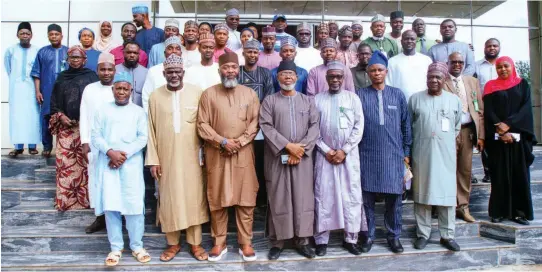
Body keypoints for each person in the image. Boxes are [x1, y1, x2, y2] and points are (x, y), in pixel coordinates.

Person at [145, 55, 210, 262]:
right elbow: (151, 131)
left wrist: (206, 154)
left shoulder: (197, 93)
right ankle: (172, 244)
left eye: (177, 72)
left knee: (193, 199)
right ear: (164, 74)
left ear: (183, 73)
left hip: (193, 158)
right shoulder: (155, 96)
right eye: (170, 72)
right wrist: (153, 160)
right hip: (166, 158)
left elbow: (204, 125)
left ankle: (196, 244)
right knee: (170, 199)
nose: (174, 75)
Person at [197, 52, 260, 262]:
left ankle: (245, 242)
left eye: (234, 67)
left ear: (238, 70)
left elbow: (255, 123)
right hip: (217, 154)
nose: (230, 70)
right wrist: (223, 142)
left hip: (243, 154)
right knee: (218, 199)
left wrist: (239, 142)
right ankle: (219, 242)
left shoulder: (250, 94)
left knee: (246, 199)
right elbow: (202, 124)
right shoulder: (208, 94)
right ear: (219, 71)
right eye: (226, 67)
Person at [259, 60, 320, 260]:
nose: (287, 77)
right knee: (279, 198)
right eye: (283, 74)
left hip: (302, 159)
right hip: (277, 159)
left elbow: (314, 127)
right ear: (278, 77)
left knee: (303, 198)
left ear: (297, 77)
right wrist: (288, 147)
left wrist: (299, 150)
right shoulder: (269, 101)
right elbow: (266, 127)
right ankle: (278, 242)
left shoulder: (308, 101)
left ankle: (302, 241)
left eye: (291, 74)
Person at [91, 71, 150, 266]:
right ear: (113, 89)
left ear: (131, 91)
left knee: (134, 206)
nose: (122, 92)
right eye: (118, 89)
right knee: (111, 206)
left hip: (130, 164)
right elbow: (96, 136)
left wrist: (122, 154)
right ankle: (116, 248)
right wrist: (110, 152)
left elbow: (143, 138)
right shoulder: (102, 110)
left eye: (125, 89)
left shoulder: (138, 112)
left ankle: (137, 246)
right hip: (108, 164)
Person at [357, 51, 411, 254]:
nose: (376, 73)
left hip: (393, 155)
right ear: (368, 73)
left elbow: (406, 125)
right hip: (367, 155)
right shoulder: (361, 95)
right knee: (366, 199)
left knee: (395, 198)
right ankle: (368, 235)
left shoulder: (397, 94)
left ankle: (394, 236)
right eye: (372, 70)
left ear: (386, 72)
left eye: (380, 70)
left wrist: (406, 152)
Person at [314, 61, 366, 257]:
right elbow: (312, 129)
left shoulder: (353, 99)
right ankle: (321, 239)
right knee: (323, 195)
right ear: (326, 78)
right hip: (324, 157)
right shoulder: (317, 99)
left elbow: (358, 127)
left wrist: (344, 150)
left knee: (351, 196)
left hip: (349, 156)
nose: (335, 80)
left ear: (344, 78)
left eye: (339, 77)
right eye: (331, 77)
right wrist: (326, 150)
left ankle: (351, 238)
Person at [410, 62, 462, 252]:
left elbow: (457, 126)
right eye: (431, 76)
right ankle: (423, 234)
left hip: (446, 155)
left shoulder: (454, 100)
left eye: (438, 77)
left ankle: (447, 235)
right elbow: (409, 126)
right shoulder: (415, 99)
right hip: (422, 154)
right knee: (423, 194)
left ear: (444, 79)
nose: (434, 80)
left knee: (447, 196)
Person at [483, 56, 536, 225]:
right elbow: (489, 112)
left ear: (512, 67)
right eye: (499, 67)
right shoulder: (490, 86)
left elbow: (525, 110)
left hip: (518, 140)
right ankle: (499, 212)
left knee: (519, 176)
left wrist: (509, 125)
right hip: (498, 140)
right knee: (499, 177)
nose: (503, 69)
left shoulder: (523, 84)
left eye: (506, 66)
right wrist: (500, 129)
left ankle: (520, 212)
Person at [49, 46, 99, 211]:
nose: (75, 60)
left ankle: (86, 201)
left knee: (86, 165)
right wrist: (61, 116)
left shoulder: (92, 77)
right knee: (66, 165)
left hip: (87, 129)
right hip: (66, 130)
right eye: (72, 57)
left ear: (84, 60)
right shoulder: (61, 78)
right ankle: (65, 201)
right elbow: (54, 103)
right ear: (67, 59)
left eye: (78, 57)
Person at [443, 52, 485, 223]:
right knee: (447, 170)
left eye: (460, 62)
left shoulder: (472, 82)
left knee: (465, 170)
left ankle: (463, 207)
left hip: (468, 132)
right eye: (454, 62)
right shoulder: (441, 80)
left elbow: (480, 111)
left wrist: (481, 136)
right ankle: (448, 206)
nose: (457, 65)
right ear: (448, 63)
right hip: (448, 133)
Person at [80, 52, 116, 234]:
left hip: (115, 146)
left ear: (115, 70)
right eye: (103, 69)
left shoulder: (119, 89)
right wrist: (84, 141)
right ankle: (100, 217)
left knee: (114, 182)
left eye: (110, 69)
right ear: (97, 70)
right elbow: (84, 116)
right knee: (96, 179)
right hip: (94, 144)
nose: (106, 73)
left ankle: (116, 219)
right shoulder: (89, 89)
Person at [31, 23, 68, 157]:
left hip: (64, 92)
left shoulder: (68, 51)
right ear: (48, 36)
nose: (54, 36)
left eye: (56, 34)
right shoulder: (42, 52)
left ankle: (62, 146)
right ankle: (47, 146)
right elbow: (36, 73)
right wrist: (37, 91)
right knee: (46, 117)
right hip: (46, 91)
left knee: (63, 118)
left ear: (61, 36)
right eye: (51, 34)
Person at [4, 22, 40, 157]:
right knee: (17, 117)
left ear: (31, 35)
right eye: (22, 33)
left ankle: (32, 146)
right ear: (17, 35)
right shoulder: (10, 50)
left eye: (27, 33)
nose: (25, 35)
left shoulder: (37, 50)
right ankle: (18, 147)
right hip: (16, 89)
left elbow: (38, 70)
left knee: (33, 117)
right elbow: (9, 69)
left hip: (32, 90)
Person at [475, 38, 500, 184]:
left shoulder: (503, 65)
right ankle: (488, 172)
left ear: (499, 48)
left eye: (495, 46)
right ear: (484, 48)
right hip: (484, 108)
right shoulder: (477, 66)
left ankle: (499, 169)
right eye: (489, 46)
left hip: (501, 109)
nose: (492, 48)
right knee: (485, 140)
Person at [385, 30, 432, 101]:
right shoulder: (392, 61)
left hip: (423, 101)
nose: (409, 41)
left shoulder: (426, 60)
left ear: (416, 41)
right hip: (399, 102)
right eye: (406, 39)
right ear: (401, 42)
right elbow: (389, 84)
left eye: (412, 39)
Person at [142, 36, 183, 113]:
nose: (174, 51)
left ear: (181, 53)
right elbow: (146, 96)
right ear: (164, 53)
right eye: (170, 48)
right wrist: (150, 117)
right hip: (159, 114)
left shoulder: (186, 70)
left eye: (177, 48)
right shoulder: (153, 71)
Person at [115, 41, 148, 107]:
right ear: (123, 53)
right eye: (129, 52)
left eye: (135, 53)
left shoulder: (146, 73)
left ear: (139, 54)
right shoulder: (115, 70)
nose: (132, 55)